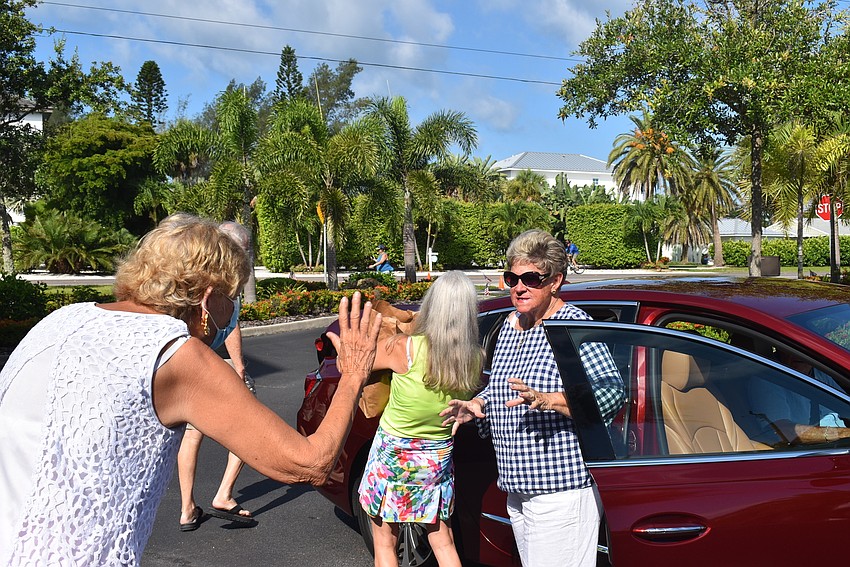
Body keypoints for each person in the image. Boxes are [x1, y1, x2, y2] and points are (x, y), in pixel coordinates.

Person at [0, 214, 381, 565]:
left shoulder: (61, 319)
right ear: (207, 296)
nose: (231, 313)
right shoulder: (177, 354)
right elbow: (308, 464)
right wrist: (353, 374)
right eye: (230, 299)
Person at [440, 229, 623, 567]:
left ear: (555, 281)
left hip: (560, 490)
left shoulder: (571, 326)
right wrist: (476, 405)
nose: (519, 287)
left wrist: (549, 399)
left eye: (531, 279)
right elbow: (501, 389)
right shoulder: (511, 325)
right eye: (512, 277)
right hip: (517, 485)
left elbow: (610, 394)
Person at [358, 271, 483, 567]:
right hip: (436, 458)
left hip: (393, 456)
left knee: (385, 540)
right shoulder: (475, 357)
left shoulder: (406, 348)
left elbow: (356, 363)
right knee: (443, 540)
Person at [177, 219, 256, 531]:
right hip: (202, 364)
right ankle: (223, 494)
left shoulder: (199, 273)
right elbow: (225, 322)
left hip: (194, 365)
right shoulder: (221, 282)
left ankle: (186, 509)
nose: (245, 258)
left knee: (193, 433)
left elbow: (226, 324)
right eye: (244, 252)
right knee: (249, 424)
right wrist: (237, 370)